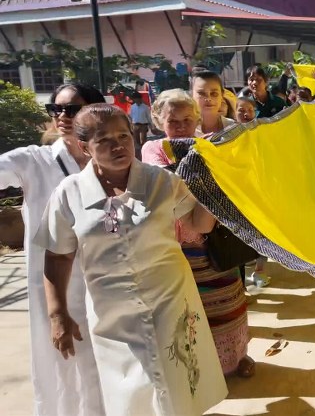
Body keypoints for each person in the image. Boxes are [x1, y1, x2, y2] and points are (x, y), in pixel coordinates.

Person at [35, 103, 228, 415]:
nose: (118, 146)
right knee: (130, 394)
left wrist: (215, 191)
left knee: (177, 383)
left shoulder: (161, 182)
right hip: (112, 314)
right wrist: (58, 315)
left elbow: (198, 224)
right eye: (104, 140)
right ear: (84, 147)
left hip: (170, 302)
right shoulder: (69, 194)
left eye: (123, 136)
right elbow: (58, 255)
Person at [0, 84, 106, 416]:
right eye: (56, 109)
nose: (62, 116)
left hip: (102, 279)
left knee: (103, 362)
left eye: (72, 109)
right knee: (59, 366)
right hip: (52, 283)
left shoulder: (110, 161)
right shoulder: (34, 160)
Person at [143, 89, 257, 379]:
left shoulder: (211, 143)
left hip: (214, 238)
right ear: (158, 121)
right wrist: (207, 173)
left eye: (186, 119)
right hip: (175, 244)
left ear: (196, 119)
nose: (181, 126)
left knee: (228, 301)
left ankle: (237, 357)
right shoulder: (152, 149)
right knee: (188, 310)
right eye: (173, 121)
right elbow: (167, 182)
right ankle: (202, 369)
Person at [191, 69, 236, 136]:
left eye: (214, 93)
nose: (208, 98)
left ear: (222, 95)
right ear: (192, 95)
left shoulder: (233, 128)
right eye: (202, 93)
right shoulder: (185, 131)